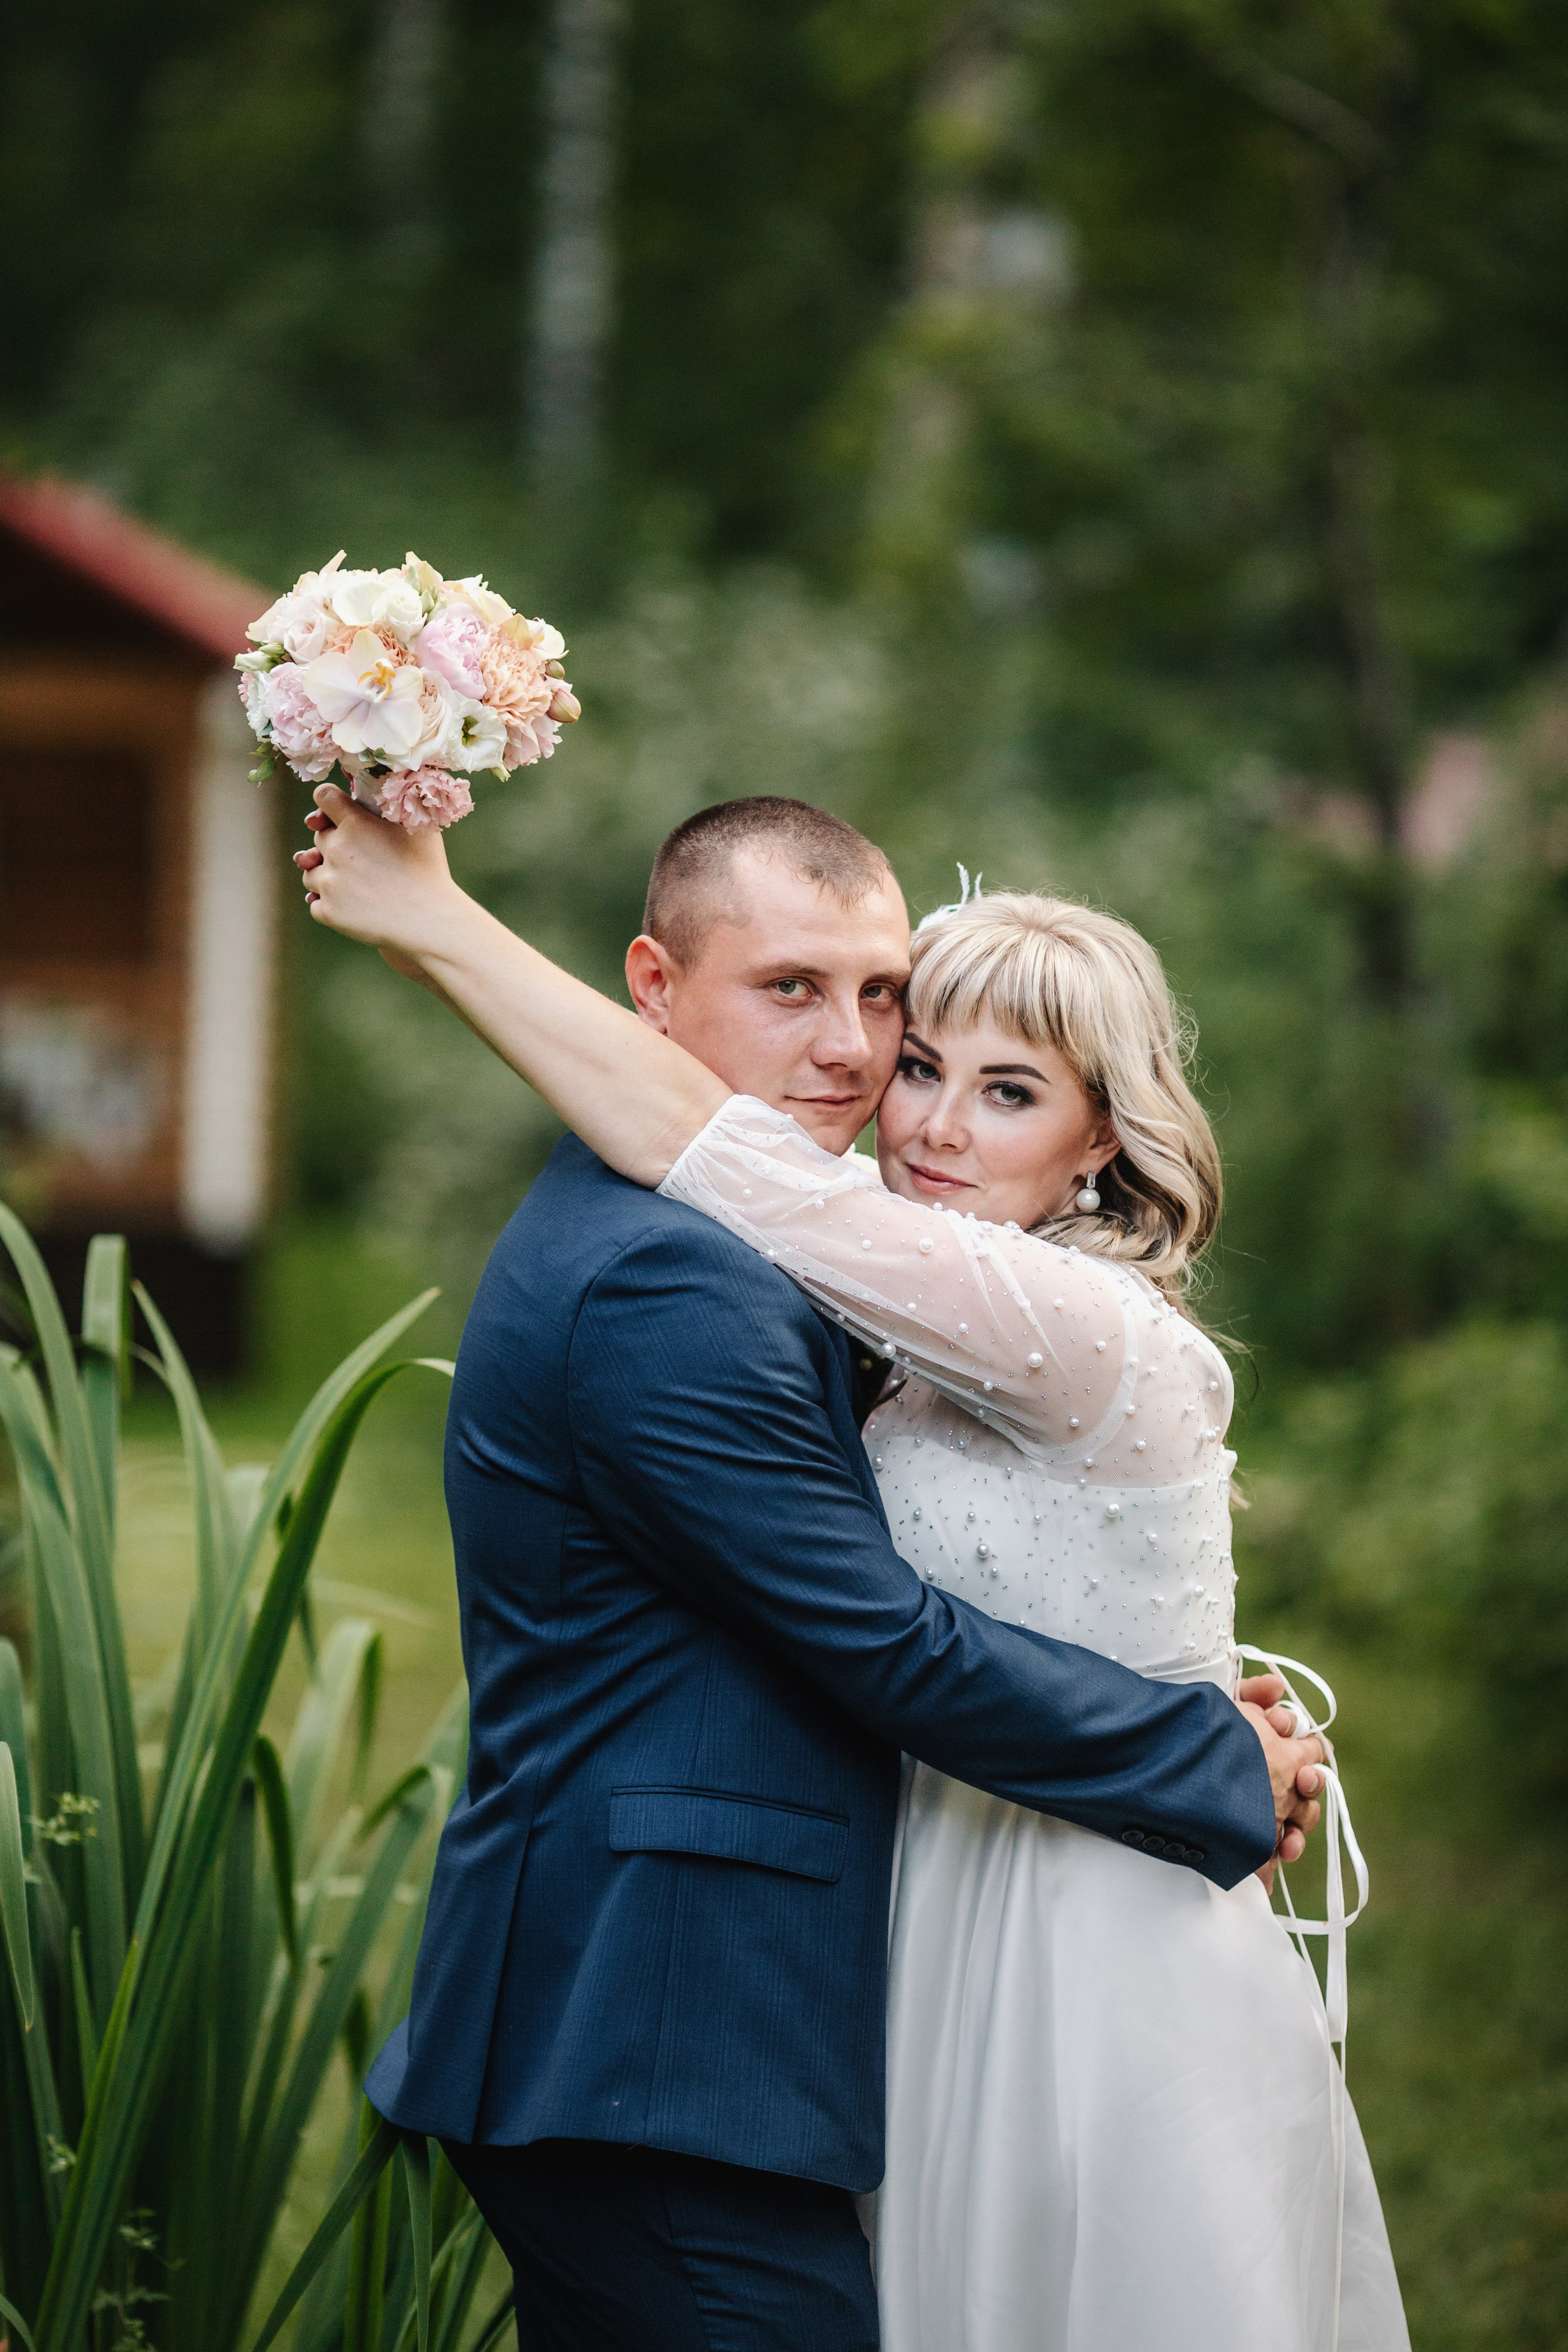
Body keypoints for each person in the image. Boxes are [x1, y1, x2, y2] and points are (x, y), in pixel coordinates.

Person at [297, 789, 1342, 2352]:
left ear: (1097, 1135)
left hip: (872, 1983)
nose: (877, 1074)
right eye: (797, 993)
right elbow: (887, 1641)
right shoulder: (674, 1269)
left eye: (882, 1003)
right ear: (653, 991)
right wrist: (1197, 1749)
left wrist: (1169, 1672)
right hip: (658, 2032)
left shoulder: (883, 1271)